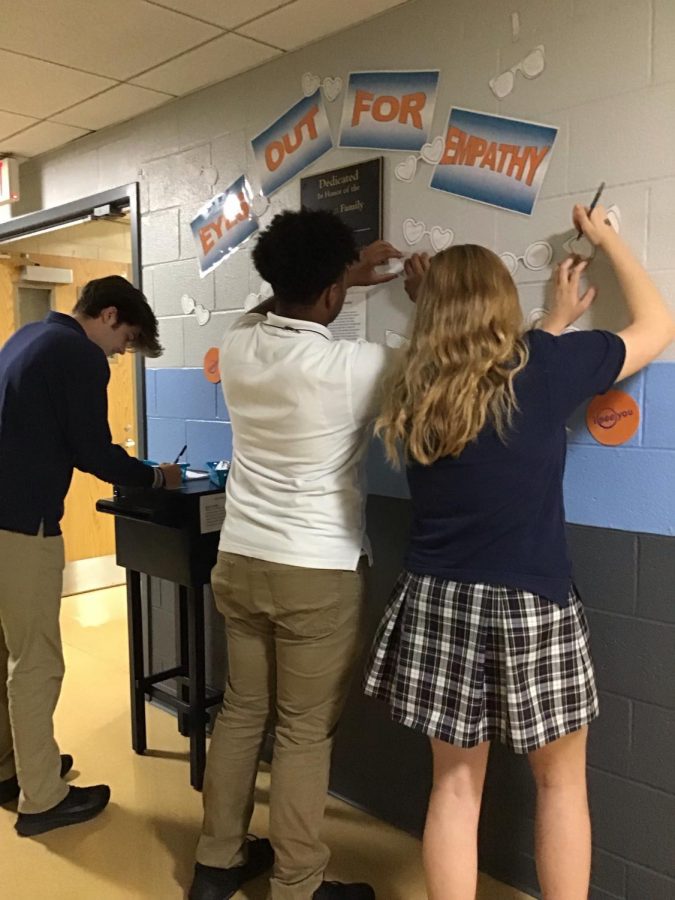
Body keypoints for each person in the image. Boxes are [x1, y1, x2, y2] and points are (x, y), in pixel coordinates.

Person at [364, 204, 675, 900]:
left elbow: (479, 366)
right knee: (560, 782)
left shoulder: (413, 382)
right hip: (530, 602)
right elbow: (657, 325)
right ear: (504, 305)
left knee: (451, 787)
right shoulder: (542, 369)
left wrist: (547, 321)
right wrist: (606, 239)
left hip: (435, 599)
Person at [189, 209, 404, 900]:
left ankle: (216, 860)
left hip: (240, 557)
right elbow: (436, 364)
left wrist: (332, 274)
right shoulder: (355, 365)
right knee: (304, 732)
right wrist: (375, 281)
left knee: (241, 713)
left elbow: (270, 303)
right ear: (334, 293)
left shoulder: (241, 341)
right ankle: (297, 884)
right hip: (317, 569)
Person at [0, 275, 182, 837]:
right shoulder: (78, 355)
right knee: (37, 662)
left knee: (9, 652)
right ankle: (43, 799)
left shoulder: (24, 338)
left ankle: (14, 769)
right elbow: (93, 452)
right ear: (107, 315)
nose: (121, 352)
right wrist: (154, 475)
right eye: (125, 339)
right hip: (21, 525)